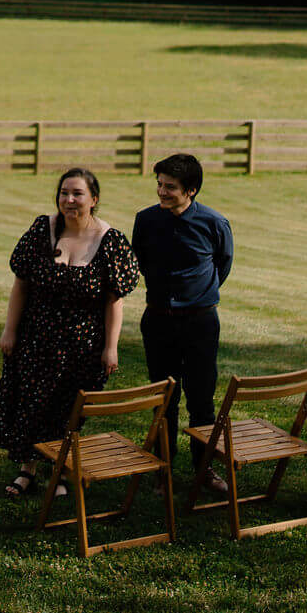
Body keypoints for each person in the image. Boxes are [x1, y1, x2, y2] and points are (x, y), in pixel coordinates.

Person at [0, 167, 140, 498]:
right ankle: (27, 469)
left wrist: (111, 348)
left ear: (94, 199)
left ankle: (56, 472)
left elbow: (114, 301)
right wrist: (9, 331)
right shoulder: (43, 229)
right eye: (64, 193)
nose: (69, 200)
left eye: (77, 194)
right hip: (35, 337)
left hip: (82, 344)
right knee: (29, 402)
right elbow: (21, 285)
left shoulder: (110, 240)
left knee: (65, 409)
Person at [130, 153, 234, 493]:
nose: (161, 192)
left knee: (201, 398)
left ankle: (203, 469)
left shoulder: (214, 223)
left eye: (170, 187)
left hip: (201, 323)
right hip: (158, 321)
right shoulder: (145, 221)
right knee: (164, 398)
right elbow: (141, 261)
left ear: (191, 190)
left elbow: (222, 264)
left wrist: (197, 295)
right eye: (159, 185)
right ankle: (163, 468)